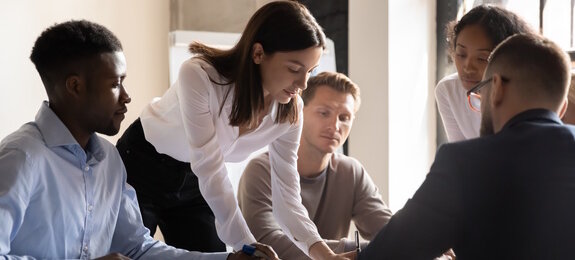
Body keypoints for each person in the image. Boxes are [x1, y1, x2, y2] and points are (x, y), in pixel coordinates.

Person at [0, 20, 272, 260]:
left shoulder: (109, 161)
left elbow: (138, 249)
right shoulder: (21, 157)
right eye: (116, 83)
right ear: (75, 87)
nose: (127, 96)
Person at [116, 1, 351, 259]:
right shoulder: (200, 75)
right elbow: (209, 166)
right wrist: (248, 246)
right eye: (294, 69)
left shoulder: (289, 113)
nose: (303, 84)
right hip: (143, 165)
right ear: (258, 53)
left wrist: (324, 254)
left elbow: (287, 199)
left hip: (195, 183)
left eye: (310, 71)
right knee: (129, 254)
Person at [358, 33, 575, 259]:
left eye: (481, 90)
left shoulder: (465, 163)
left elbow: (389, 253)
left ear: (497, 87)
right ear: (561, 109)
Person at [237, 72, 392, 259]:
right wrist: (358, 251)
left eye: (344, 117)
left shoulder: (351, 172)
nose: (335, 126)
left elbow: (390, 232)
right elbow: (268, 242)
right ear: (299, 111)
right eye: (324, 113)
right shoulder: (261, 171)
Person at [435, 4, 534, 142]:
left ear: (509, 57)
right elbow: (461, 155)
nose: (468, 68)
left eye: (482, 58)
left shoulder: (527, 94)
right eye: (461, 54)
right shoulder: (448, 90)